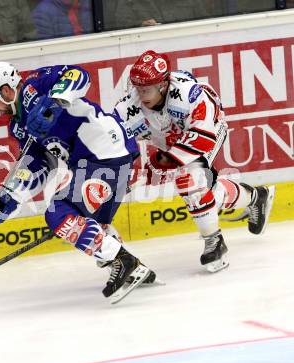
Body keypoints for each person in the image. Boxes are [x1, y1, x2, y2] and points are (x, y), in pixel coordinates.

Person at [0, 61, 158, 303]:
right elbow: (40, 163)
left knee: (57, 213)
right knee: (92, 223)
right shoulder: (18, 127)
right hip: (95, 162)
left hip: (106, 152)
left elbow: (79, 75)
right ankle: (132, 266)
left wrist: (55, 101)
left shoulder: (36, 83)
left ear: (6, 90)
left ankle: (124, 262)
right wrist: (10, 196)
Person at [114, 50, 275, 273]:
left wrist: (165, 159)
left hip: (209, 130)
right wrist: (119, 174)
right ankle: (255, 197)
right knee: (207, 193)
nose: (140, 94)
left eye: (147, 88)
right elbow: (115, 145)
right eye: (137, 88)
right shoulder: (127, 108)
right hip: (170, 141)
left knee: (190, 181)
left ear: (163, 84)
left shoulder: (188, 95)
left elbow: (201, 137)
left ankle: (214, 241)